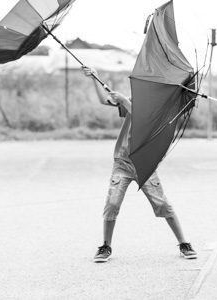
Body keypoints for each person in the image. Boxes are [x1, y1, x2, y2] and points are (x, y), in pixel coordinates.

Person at [82, 66, 196, 263]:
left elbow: (145, 121)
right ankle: (105, 246)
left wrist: (125, 101)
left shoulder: (164, 110)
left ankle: (184, 243)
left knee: (162, 204)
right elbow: (105, 100)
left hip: (144, 163)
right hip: (122, 162)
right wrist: (95, 78)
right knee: (112, 203)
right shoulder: (135, 101)